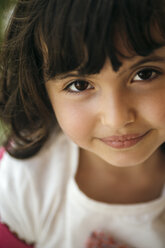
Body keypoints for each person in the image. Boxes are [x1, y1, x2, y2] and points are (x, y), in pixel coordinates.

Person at [0, 0, 165, 247]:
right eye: (79, 85)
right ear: (42, 91)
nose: (116, 118)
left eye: (145, 74)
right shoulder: (24, 182)